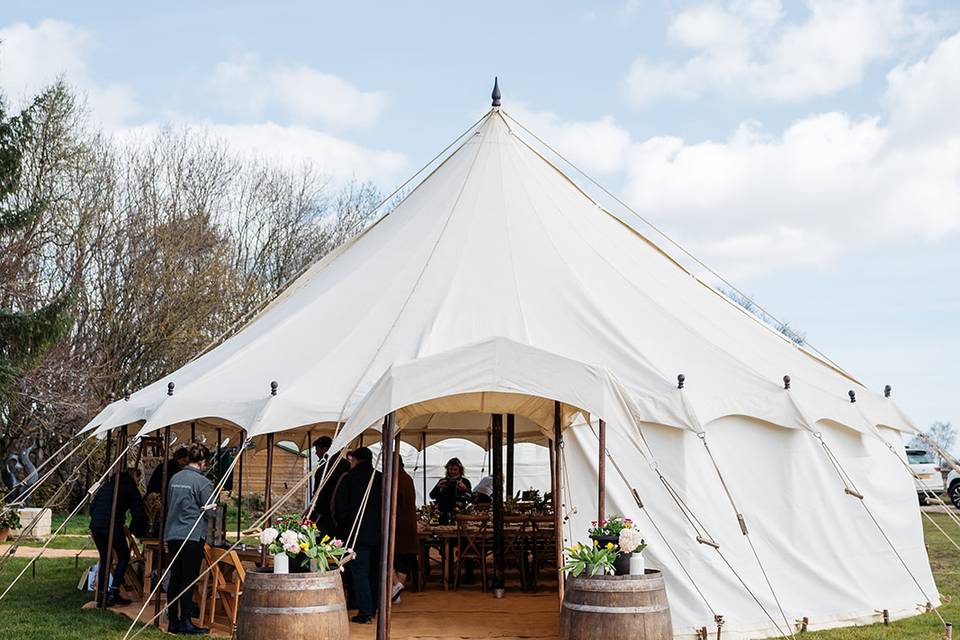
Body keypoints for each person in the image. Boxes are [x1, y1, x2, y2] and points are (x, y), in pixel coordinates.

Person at [164, 442, 215, 635]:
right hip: (192, 535)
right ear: (202, 462)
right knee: (188, 579)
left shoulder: (175, 478)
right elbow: (210, 512)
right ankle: (185, 621)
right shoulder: (202, 483)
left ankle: (173, 621)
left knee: (175, 577)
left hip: (173, 534)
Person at [334, 447, 381, 625]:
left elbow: (340, 506)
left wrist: (344, 527)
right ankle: (373, 607)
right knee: (375, 573)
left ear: (356, 460)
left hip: (356, 534)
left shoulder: (349, 478)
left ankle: (365, 612)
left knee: (360, 573)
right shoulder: (381, 477)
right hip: (378, 534)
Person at [89, 466, 148, 607]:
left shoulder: (107, 486)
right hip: (112, 526)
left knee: (106, 558)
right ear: (134, 476)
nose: (138, 483)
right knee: (123, 557)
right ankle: (113, 592)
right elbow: (137, 510)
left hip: (96, 525)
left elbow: (93, 507)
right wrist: (140, 530)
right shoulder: (129, 487)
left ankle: (102, 594)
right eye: (138, 480)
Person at [309, 436, 351, 536]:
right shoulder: (347, 465)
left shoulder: (323, 469)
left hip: (327, 514)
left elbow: (318, 494)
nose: (316, 453)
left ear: (325, 449)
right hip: (346, 514)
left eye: (317, 450)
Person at [392, 458, 418, 603]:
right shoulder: (407, 478)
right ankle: (396, 591)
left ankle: (397, 586)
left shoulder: (395, 480)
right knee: (404, 560)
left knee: (391, 559)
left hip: (398, 525)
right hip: (409, 524)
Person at [429, 458, 472, 524]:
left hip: (459, 516)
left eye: (455, 469)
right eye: (450, 469)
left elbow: (470, 498)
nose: (452, 472)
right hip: (443, 516)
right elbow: (432, 496)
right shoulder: (443, 481)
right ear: (447, 469)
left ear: (460, 470)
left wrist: (465, 490)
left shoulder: (465, 482)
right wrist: (438, 488)